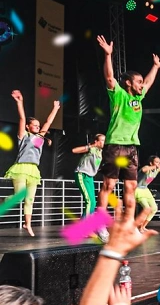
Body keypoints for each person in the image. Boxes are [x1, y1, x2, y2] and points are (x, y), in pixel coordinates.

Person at [94, 34, 160, 242]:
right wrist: (108, 55)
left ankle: (129, 226)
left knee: (131, 187)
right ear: (128, 82)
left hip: (132, 148)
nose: (142, 85)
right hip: (115, 145)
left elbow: (148, 83)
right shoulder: (119, 94)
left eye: (141, 82)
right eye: (138, 82)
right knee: (109, 186)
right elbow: (109, 78)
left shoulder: (138, 98)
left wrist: (155, 67)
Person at [4, 91, 60, 236]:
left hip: (34, 170)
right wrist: (20, 102)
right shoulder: (24, 135)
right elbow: (22, 118)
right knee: (19, 197)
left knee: (30, 199)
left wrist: (55, 108)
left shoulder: (40, 137)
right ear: (28, 127)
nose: (37, 127)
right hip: (21, 168)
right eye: (34, 125)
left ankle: (27, 224)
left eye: (38, 125)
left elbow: (48, 122)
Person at [134, 155, 160, 232]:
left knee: (154, 208)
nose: (158, 163)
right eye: (156, 162)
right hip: (138, 190)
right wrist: (156, 166)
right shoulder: (147, 168)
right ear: (151, 163)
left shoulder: (157, 169)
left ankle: (143, 226)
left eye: (159, 162)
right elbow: (144, 169)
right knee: (147, 209)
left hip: (146, 190)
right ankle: (137, 226)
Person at [72, 133, 105, 218]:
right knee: (89, 202)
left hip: (90, 177)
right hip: (82, 174)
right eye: (102, 140)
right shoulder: (91, 148)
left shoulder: (100, 152)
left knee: (93, 203)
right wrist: (91, 146)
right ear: (96, 141)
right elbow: (74, 150)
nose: (104, 142)